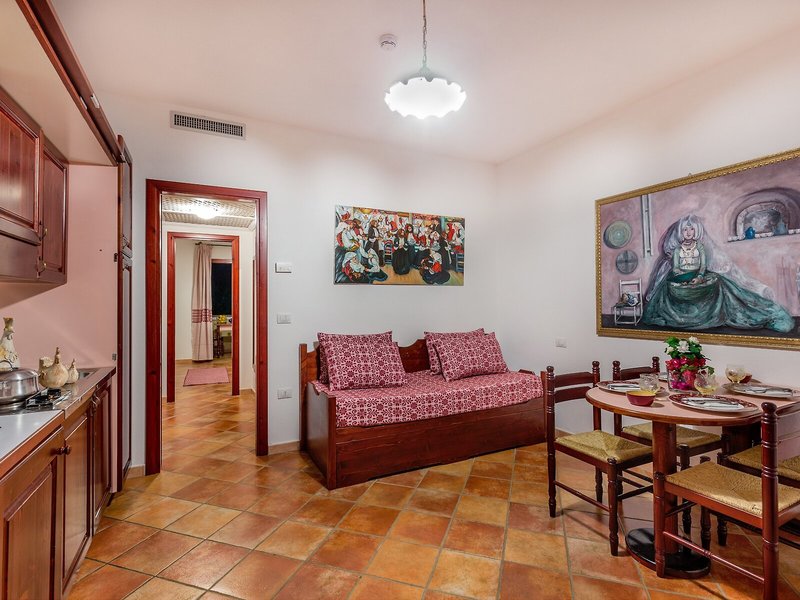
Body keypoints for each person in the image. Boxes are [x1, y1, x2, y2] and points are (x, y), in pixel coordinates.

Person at [642, 214, 794, 332]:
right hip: (680, 277)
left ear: (696, 231)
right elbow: (676, 268)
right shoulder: (677, 250)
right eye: (685, 229)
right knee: (668, 288)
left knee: (722, 283)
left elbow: (702, 265)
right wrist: (683, 277)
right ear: (680, 232)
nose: (688, 232)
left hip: (698, 275)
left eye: (691, 229)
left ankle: (745, 311)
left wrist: (699, 276)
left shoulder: (700, 247)